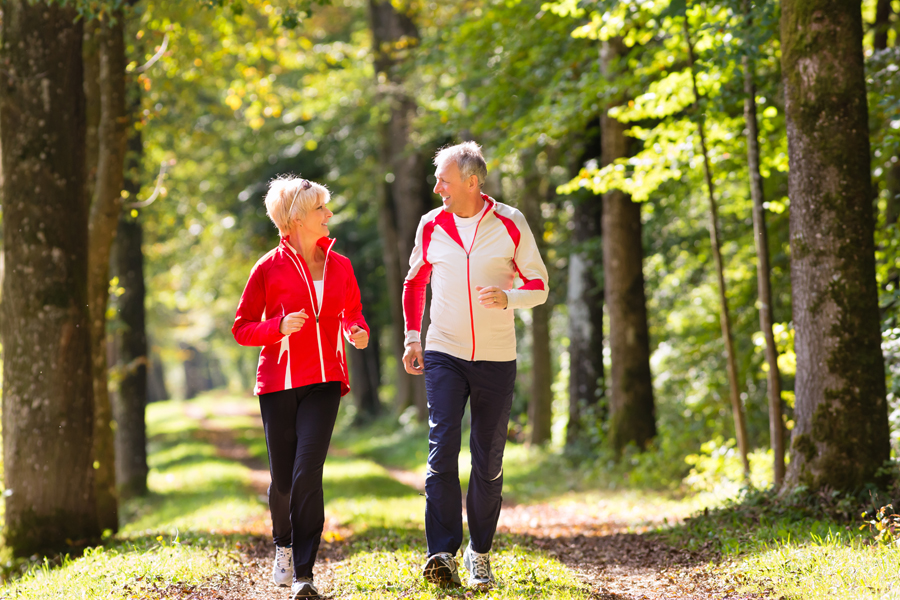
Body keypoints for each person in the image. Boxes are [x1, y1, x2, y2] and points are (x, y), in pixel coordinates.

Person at [402, 142, 549, 590]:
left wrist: (510, 297)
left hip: (495, 357)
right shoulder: (432, 225)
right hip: (443, 351)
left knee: (487, 462)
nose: (436, 187)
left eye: (443, 179)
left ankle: (479, 553)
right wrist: (413, 338)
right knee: (442, 447)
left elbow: (539, 285)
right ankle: (441, 552)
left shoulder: (510, 222)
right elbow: (414, 283)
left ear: (471, 181)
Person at [232, 176, 370, 600]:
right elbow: (241, 329)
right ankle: (284, 545)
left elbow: (353, 314)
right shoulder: (267, 268)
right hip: (278, 382)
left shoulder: (340, 265)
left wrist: (356, 330)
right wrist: (277, 327)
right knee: (285, 481)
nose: (328, 215)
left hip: (326, 381)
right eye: (320, 209)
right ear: (294, 219)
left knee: (308, 472)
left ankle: (305, 574)